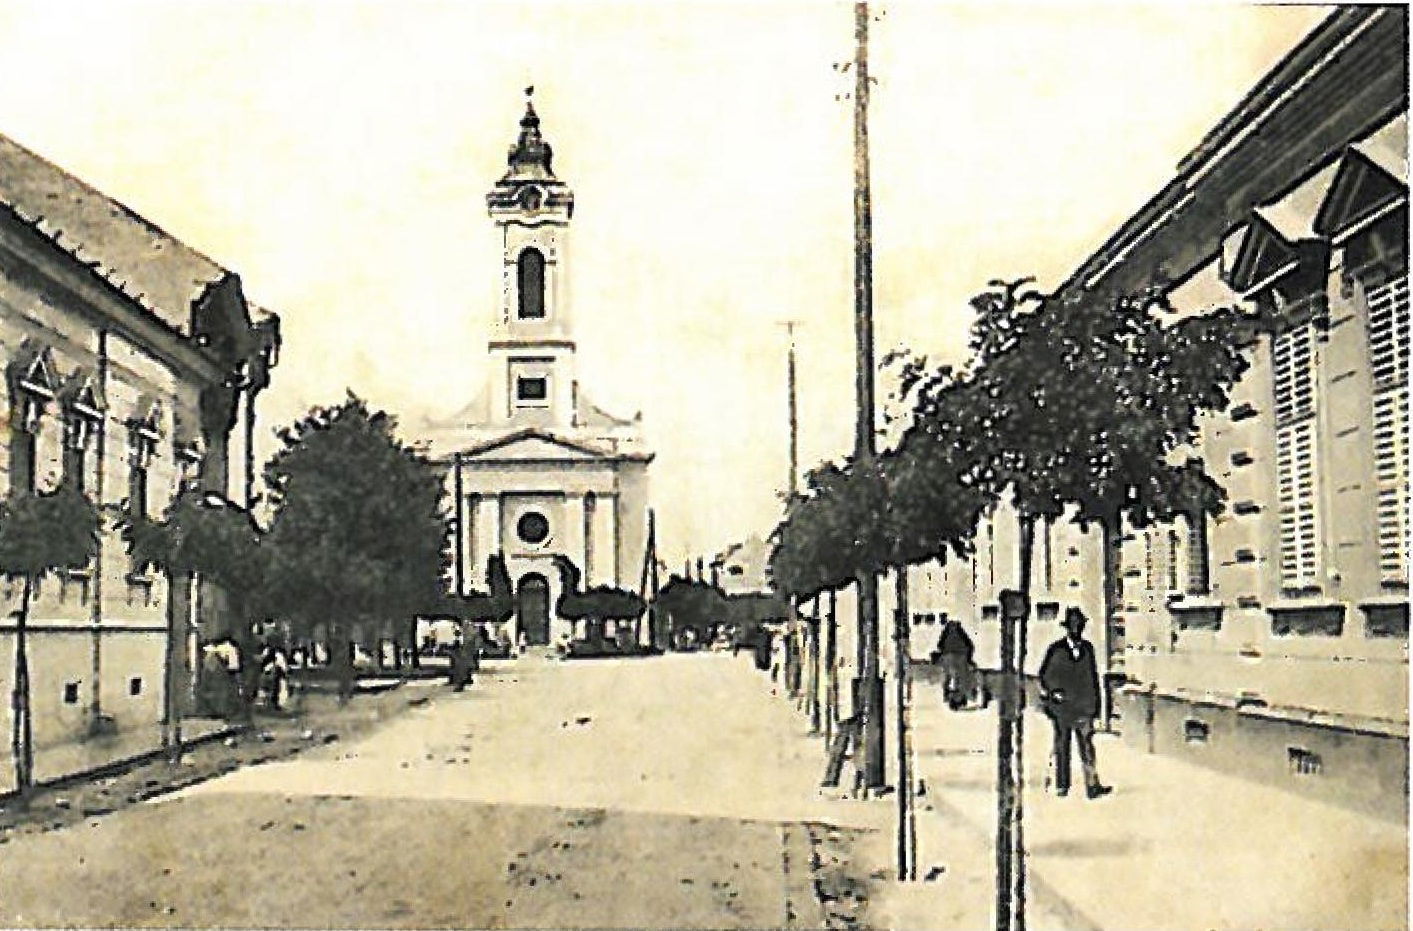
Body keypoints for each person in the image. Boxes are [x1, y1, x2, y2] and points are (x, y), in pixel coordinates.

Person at [1038, 608, 1112, 799]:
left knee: (1087, 746)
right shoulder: (1056, 650)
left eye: (1079, 626)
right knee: (1062, 746)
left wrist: (1096, 708)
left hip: (1083, 707)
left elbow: (1093, 678)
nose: (1077, 629)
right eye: (1073, 626)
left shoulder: (1088, 649)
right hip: (1062, 708)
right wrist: (1055, 692)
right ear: (1067, 628)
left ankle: (1092, 785)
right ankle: (1062, 785)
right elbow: (1045, 675)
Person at [932, 613, 977, 710]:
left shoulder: (952, 684)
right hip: (958, 652)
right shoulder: (963, 685)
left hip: (955, 652)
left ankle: (952, 628)